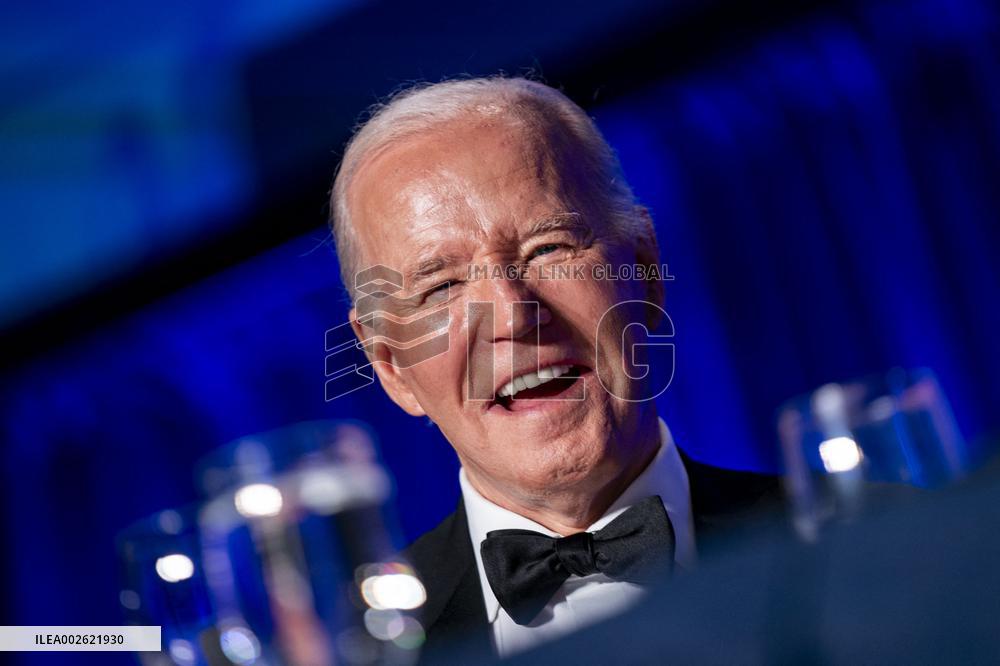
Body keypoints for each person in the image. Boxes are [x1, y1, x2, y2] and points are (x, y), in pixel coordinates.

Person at [328, 76, 778, 662]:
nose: (513, 317)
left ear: (643, 269)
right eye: (441, 287)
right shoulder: (343, 650)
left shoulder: (870, 535)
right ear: (391, 366)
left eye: (549, 249)